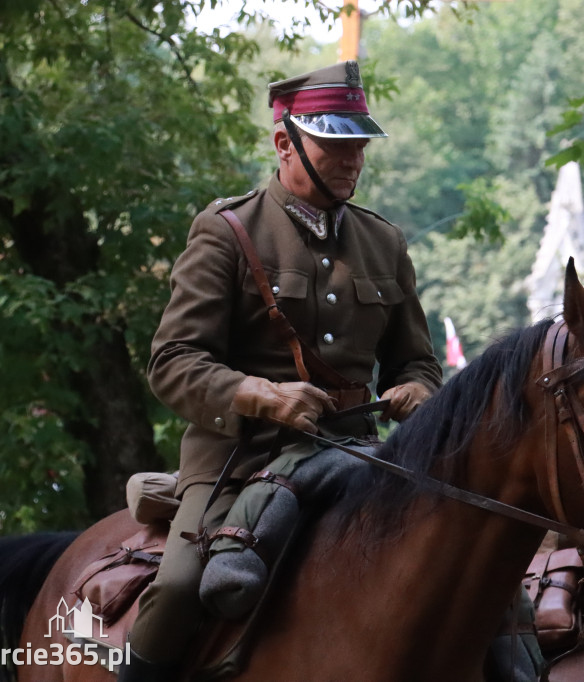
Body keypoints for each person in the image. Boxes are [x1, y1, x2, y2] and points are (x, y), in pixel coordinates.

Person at [119, 61, 444, 681]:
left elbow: (416, 358)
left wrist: (419, 387)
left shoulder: (385, 242)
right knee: (182, 589)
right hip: (239, 464)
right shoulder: (227, 231)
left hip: (357, 455)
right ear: (284, 143)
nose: (353, 159)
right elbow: (172, 361)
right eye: (335, 145)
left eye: (359, 146)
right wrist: (259, 395)